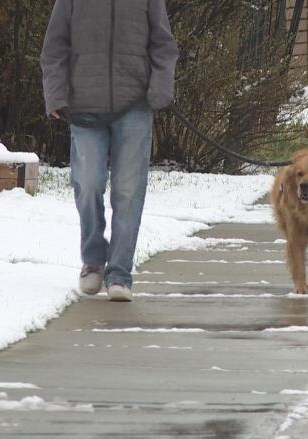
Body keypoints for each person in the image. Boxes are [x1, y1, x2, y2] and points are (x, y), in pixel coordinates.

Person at [40, 0, 179, 302]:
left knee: (128, 191)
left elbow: (163, 46)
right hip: (83, 108)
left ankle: (119, 273)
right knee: (88, 184)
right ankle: (93, 260)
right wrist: (55, 94)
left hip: (135, 107)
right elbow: (54, 48)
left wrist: (160, 87)